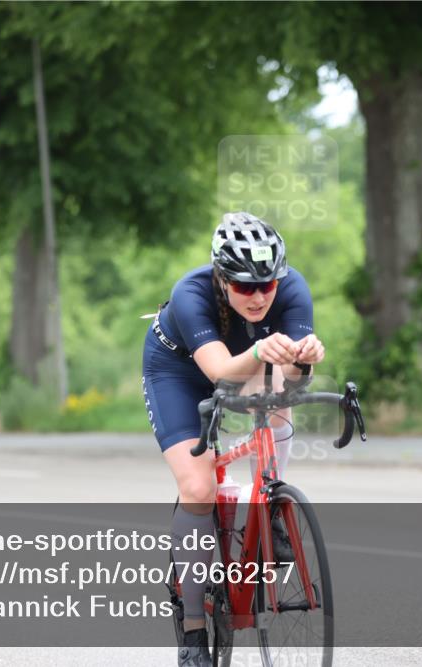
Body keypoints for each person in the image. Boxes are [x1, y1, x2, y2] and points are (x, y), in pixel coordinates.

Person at [141, 212, 325, 667]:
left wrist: (306, 360)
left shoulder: (294, 288)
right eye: (245, 286)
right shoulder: (191, 293)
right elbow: (220, 372)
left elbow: (294, 378)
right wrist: (264, 350)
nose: (259, 296)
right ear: (222, 279)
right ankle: (192, 631)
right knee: (199, 488)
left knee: (280, 387)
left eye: (268, 284)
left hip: (244, 359)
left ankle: (274, 506)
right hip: (179, 372)